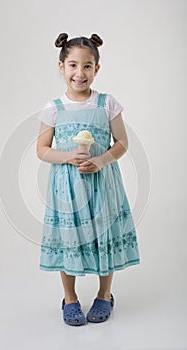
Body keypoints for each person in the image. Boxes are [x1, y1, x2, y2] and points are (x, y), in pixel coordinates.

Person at [36, 33, 140, 326]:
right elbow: (42, 150)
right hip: (66, 189)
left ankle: (104, 294)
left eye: (87, 66)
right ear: (61, 67)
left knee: (103, 238)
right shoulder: (53, 108)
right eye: (72, 65)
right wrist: (68, 157)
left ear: (97, 69)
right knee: (69, 240)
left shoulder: (107, 104)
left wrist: (101, 160)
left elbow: (121, 143)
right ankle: (69, 298)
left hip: (101, 184)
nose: (79, 73)